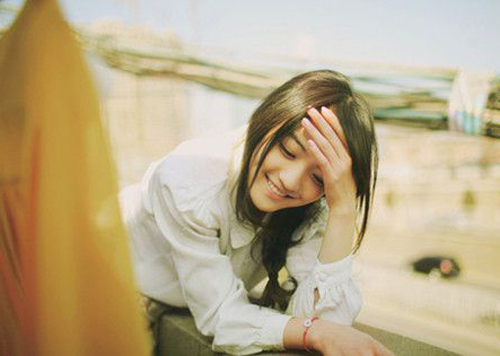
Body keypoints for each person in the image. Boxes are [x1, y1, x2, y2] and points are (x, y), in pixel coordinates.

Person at [119, 70, 393, 356]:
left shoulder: (315, 205)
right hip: (112, 283)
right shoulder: (188, 183)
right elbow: (220, 316)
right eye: (288, 151)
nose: (289, 180)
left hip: (176, 303)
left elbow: (329, 327)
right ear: (265, 120)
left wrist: (343, 210)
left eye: (319, 178)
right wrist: (313, 333)